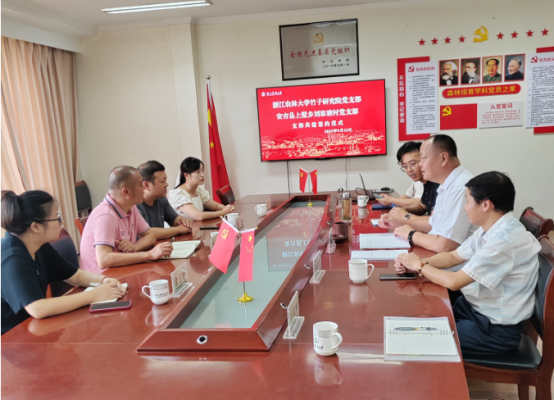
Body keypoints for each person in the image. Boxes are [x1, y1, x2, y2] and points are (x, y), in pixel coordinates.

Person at [394, 172, 540, 356]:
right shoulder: (492, 228)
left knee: (414, 340)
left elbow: (455, 281)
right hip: (475, 309)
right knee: (415, 317)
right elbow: (453, 257)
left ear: (485, 204)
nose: (464, 208)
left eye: (467, 201)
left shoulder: (504, 240)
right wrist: (416, 262)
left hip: (493, 330)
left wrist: (420, 266)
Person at [1, 190, 126, 335]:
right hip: (10, 337)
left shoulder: (39, 246)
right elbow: (37, 308)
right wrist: (94, 295)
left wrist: (104, 280)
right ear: (36, 227)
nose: (62, 223)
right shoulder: (11, 258)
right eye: (57, 218)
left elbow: (75, 275)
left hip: (34, 327)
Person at [379, 134, 476, 254]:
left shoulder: (460, 188)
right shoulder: (445, 185)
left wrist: (410, 234)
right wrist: (398, 222)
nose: (420, 165)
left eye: (423, 159)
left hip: (454, 262)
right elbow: (432, 223)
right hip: (439, 254)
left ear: (443, 158)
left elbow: (444, 245)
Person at [80, 166, 173, 274]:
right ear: (126, 192)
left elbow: (150, 235)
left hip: (123, 270)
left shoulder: (131, 207)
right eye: (140, 185)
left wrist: (134, 247)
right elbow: (103, 259)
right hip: (105, 277)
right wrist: (150, 255)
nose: (144, 189)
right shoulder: (106, 215)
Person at [376, 141, 439, 215]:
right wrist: (400, 210)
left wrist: (405, 216)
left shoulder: (437, 183)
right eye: (405, 166)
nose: (409, 170)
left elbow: (434, 219)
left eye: (413, 163)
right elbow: (421, 207)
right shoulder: (426, 184)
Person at [137, 160, 193, 240]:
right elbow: (147, 233)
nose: (167, 184)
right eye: (162, 181)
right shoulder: (136, 205)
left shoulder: (161, 200)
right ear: (146, 185)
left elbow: (174, 219)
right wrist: (179, 229)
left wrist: (183, 221)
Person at [168, 157, 235, 221]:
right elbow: (199, 216)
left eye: (202, 170)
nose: (202, 174)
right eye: (198, 172)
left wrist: (227, 208)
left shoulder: (199, 191)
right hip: (183, 229)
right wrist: (223, 212)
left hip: (198, 226)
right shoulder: (178, 194)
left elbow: (216, 206)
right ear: (186, 175)